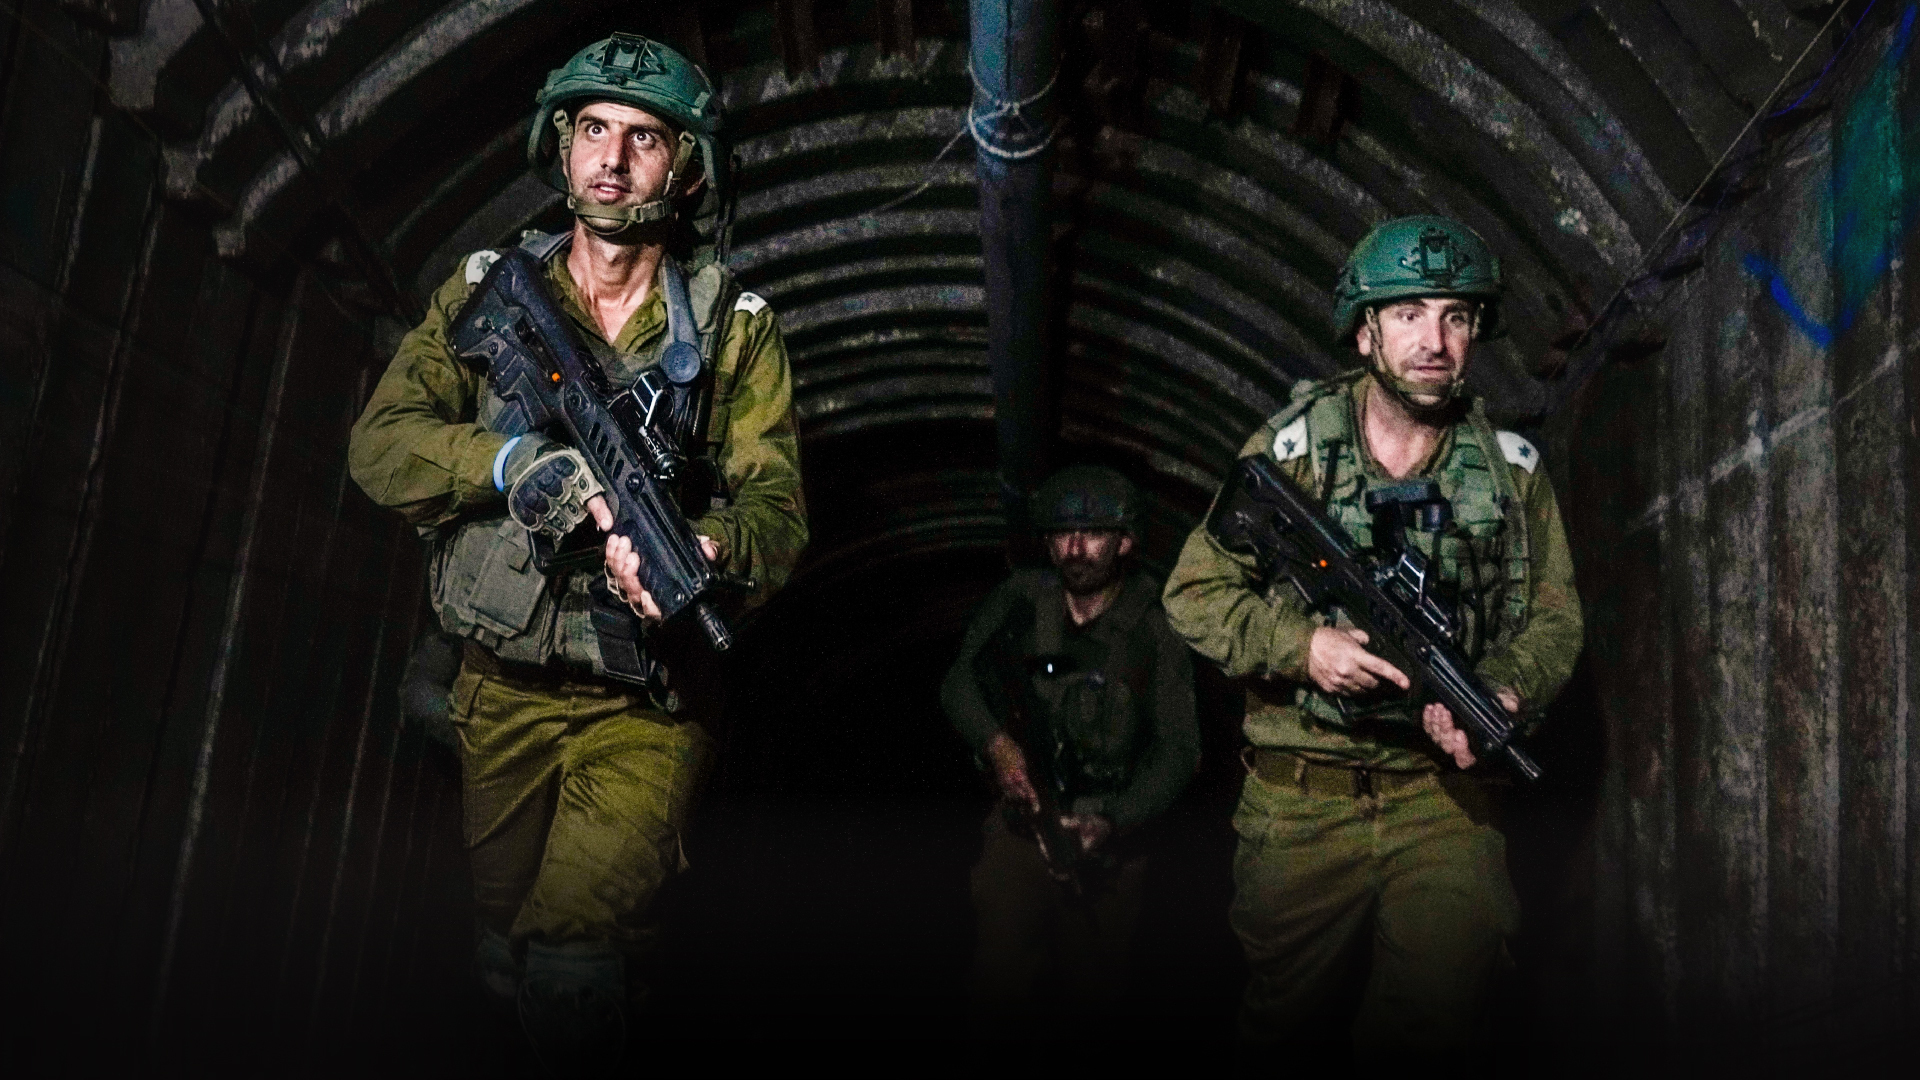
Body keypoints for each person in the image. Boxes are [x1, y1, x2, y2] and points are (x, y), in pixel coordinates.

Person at [347, 32, 806, 1072]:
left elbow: (778, 506)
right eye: (593, 128)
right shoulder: (486, 288)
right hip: (498, 686)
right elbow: (380, 445)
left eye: (645, 138)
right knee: (505, 948)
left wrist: (707, 547)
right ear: (560, 147)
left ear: (687, 169)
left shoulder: (733, 330)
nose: (613, 158)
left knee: (574, 966)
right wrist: (509, 464)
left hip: (647, 704)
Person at [1161, 216, 1582, 1061]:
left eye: (1456, 317)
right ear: (1365, 333)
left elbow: (1554, 618)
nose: (1435, 341)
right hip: (1302, 796)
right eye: (1408, 314)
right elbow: (1194, 592)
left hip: (1441, 799)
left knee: (1440, 1019)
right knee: (1285, 1024)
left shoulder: (1510, 470)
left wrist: (1502, 689)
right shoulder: (1294, 450)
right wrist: (1303, 648)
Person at [940, 465, 1199, 1041]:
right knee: (998, 985)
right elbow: (959, 683)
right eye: (1063, 534)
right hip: (1021, 827)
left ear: (1124, 542)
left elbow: (1180, 752)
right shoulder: (1021, 601)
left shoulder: (1154, 630)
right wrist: (999, 746)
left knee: (1094, 996)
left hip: (1108, 844)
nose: (1076, 549)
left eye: (1094, 534)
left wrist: (1112, 820)